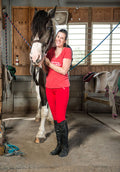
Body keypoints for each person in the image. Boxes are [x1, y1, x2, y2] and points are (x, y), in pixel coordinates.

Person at [44, 29, 72, 157]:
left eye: (62, 38)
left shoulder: (67, 51)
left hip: (62, 88)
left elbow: (64, 70)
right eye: (58, 37)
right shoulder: (50, 51)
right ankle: (58, 145)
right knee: (55, 118)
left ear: (65, 41)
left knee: (61, 117)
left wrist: (49, 63)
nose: (59, 39)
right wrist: (40, 61)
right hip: (50, 88)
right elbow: (45, 67)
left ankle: (65, 147)